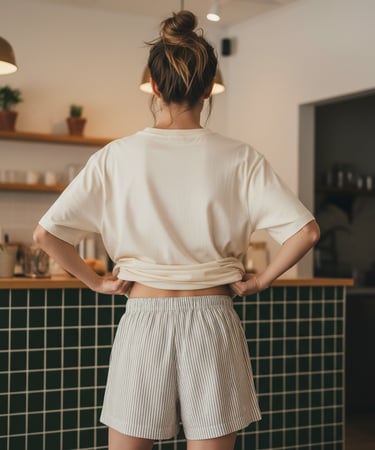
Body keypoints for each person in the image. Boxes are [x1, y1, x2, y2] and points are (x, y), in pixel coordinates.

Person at [33, 10, 320, 450]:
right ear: (208, 88)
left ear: (155, 86)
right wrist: (260, 280)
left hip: (144, 320)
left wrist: (96, 282)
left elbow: (46, 234)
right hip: (214, 320)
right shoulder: (240, 156)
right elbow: (307, 232)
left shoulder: (116, 156)